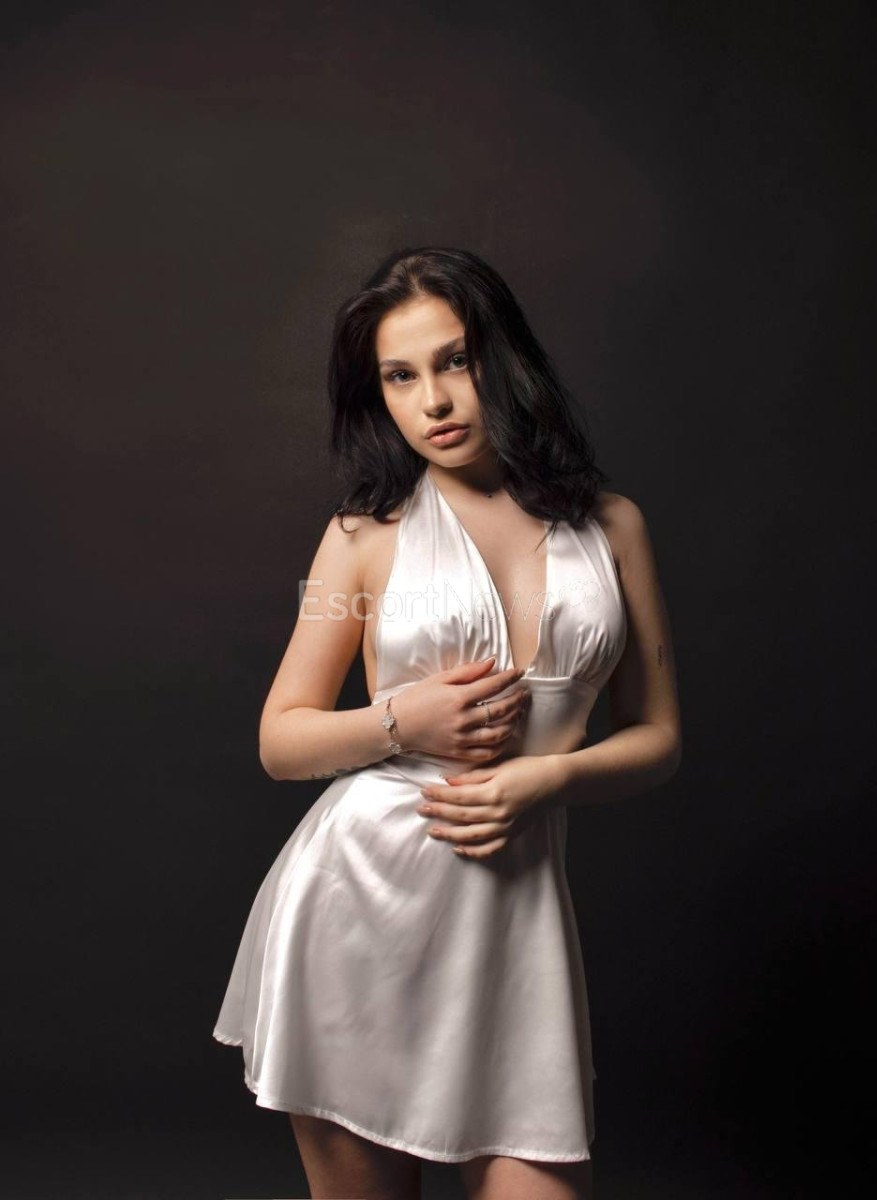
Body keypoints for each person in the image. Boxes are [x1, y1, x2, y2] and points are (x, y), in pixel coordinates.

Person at [212, 246, 682, 1200]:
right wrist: (403, 720)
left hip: (514, 931)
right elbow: (280, 739)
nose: (433, 401)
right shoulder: (360, 537)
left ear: (502, 358)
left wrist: (547, 777)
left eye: (455, 361)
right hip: (358, 909)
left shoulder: (614, 528)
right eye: (400, 376)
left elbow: (659, 737)